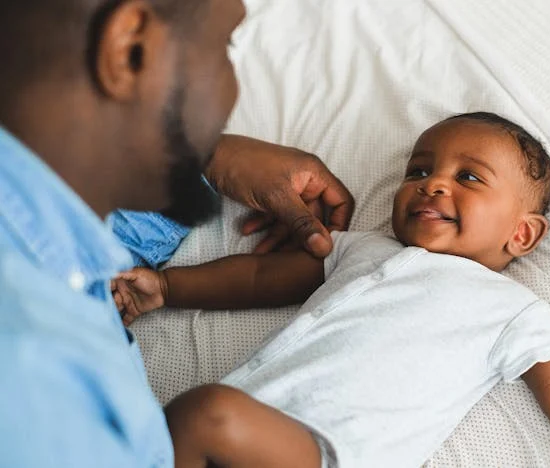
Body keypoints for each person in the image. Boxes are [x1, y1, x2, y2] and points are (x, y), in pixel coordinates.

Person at [114, 113, 550, 468]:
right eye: (420, 170)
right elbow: (258, 278)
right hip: (258, 438)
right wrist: (167, 285)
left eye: (470, 178)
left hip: (334, 451)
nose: (432, 184)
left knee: (205, 414)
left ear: (521, 233)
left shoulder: (510, 309)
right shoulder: (361, 250)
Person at [0, 1, 353, 466]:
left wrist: (204, 158)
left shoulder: (44, 231)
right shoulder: (44, 401)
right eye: (225, 47)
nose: (233, 90)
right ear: (131, 49)